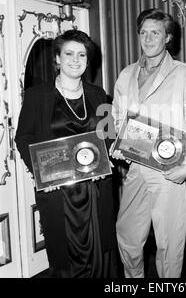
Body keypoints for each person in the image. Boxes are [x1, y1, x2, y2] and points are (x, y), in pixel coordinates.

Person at [15, 29, 118, 278]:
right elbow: (23, 137)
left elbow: (110, 135)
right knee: (66, 260)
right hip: (58, 190)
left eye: (82, 54)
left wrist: (108, 157)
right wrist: (41, 174)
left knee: (100, 256)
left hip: (95, 190)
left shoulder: (98, 94)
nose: (75, 60)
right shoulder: (37, 95)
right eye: (69, 53)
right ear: (58, 58)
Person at [111, 8, 186, 278]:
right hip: (135, 167)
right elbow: (117, 114)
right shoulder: (126, 74)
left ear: (168, 38)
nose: (148, 38)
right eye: (143, 32)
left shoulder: (185, 74)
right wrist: (122, 143)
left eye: (156, 33)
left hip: (168, 171)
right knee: (126, 233)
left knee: (169, 242)